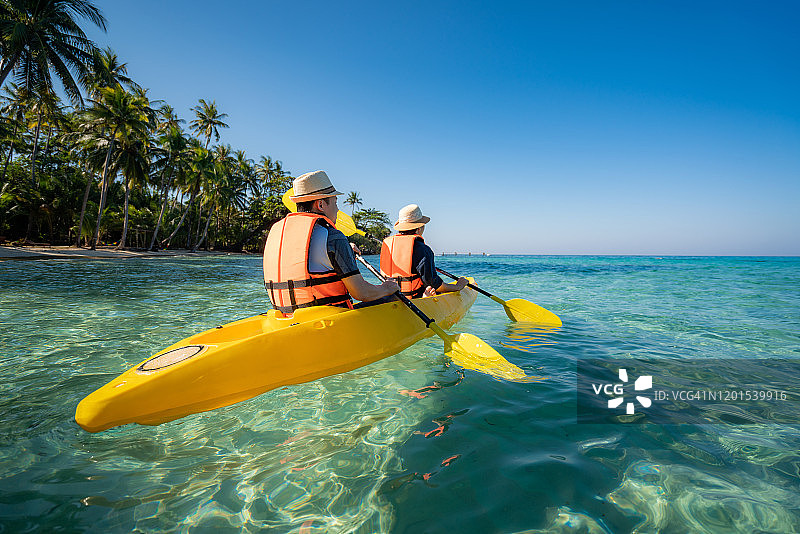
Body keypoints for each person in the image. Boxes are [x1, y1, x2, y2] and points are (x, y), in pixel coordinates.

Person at [263, 170, 399, 313]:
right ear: (321, 205)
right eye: (335, 202)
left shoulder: (276, 231)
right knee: (393, 299)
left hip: (286, 317)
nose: (337, 209)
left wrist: (345, 250)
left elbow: (308, 258)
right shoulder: (333, 236)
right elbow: (362, 293)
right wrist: (387, 288)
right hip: (326, 321)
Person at [380, 204, 467, 298]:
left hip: (391, 296)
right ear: (419, 228)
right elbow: (434, 285)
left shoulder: (388, 245)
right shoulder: (423, 249)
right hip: (413, 300)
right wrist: (458, 286)